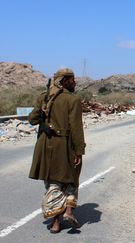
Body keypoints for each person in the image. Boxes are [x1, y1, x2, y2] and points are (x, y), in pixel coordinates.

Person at [28, 68, 86, 233]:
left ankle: (56, 223)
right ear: (65, 81)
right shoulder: (73, 100)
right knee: (70, 179)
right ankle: (68, 211)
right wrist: (79, 151)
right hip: (64, 145)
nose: (75, 83)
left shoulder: (44, 98)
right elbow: (76, 129)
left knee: (52, 183)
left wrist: (44, 123)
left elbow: (32, 119)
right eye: (73, 80)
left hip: (45, 146)